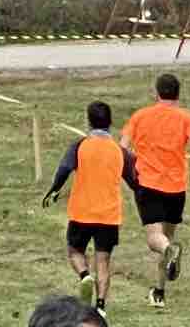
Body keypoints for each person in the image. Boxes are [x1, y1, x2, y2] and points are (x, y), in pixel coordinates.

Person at [123, 74, 190, 301]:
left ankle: (169, 254)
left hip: (149, 183)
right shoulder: (186, 118)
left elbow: (122, 148)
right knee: (167, 237)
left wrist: (130, 167)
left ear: (157, 92)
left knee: (155, 239)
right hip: (176, 187)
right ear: (178, 93)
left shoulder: (140, 116)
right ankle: (159, 291)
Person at [45, 101, 131, 309]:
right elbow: (134, 180)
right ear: (110, 123)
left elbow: (64, 169)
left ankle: (84, 275)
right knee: (103, 261)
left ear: (88, 122)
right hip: (109, 215)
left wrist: (54, 190)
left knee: (75, 252)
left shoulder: (79, 145)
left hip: (82, 212)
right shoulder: (120, 151)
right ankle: (100, 306)